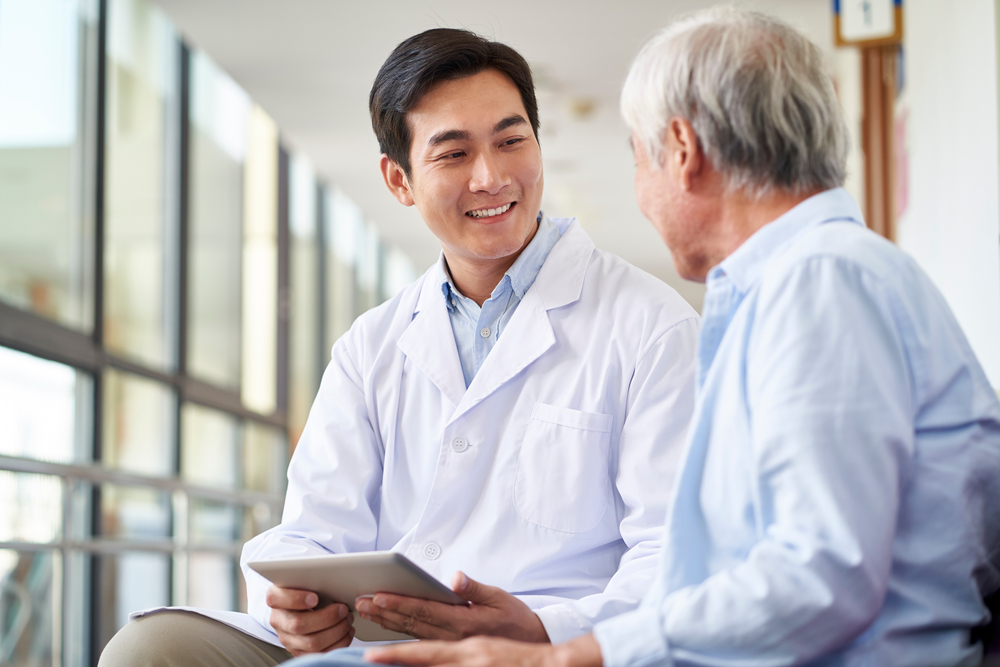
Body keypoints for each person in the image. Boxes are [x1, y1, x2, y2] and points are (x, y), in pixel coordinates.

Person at [331, 8, 1000, 667]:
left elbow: (820, 580)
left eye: (635, 153)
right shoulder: (811, 282)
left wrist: (568, 654)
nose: (639, 189)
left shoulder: (821, 283)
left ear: (681, 151)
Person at [98, 28, 699, 667]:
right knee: (151, 648)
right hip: (379, 645)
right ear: (399, 179)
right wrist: (298, 607)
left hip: (553, 648)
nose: (492, 176)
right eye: (453, 153)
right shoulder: (371, 345)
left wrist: (546, 630)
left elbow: (677, 551)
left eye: (511, 140)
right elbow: (313, 529)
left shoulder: (651, 325)